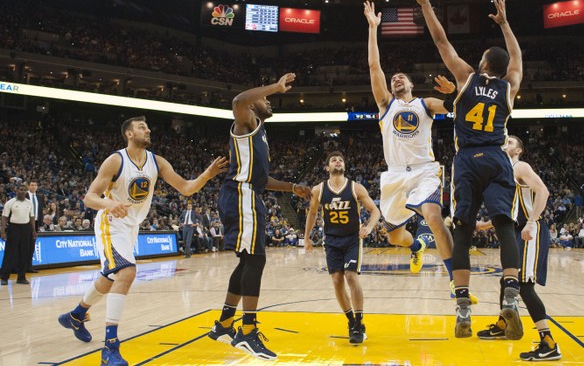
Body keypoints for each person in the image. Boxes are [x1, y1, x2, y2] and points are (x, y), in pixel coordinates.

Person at [57, 116, 228, 366]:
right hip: (110, 222)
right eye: (141, 127)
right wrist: (110, 203)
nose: (147, 130)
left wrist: (208, 174)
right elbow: (89, 198)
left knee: (110, 278)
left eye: (147, 127)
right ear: (128, 134)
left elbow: (187, 188)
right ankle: (110, 348)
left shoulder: (157, 162)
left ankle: (76, 315)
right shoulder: (116, 160)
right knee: (126, 272)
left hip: (132, 227)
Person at [408, 0, 524, 339]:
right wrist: (506, 24)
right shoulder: (509, 87)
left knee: (462, 230)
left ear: (484, 62)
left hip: (468, 161)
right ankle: (509, 295)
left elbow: (441, 41)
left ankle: (461, 305)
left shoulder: (467, 78)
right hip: (497, 155)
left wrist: (426, 5)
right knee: (506, 226)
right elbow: (517, 59)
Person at [363, 1, 466, 302]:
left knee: (434, 216)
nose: (395, 79)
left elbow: (457, 106)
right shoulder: (385, 105)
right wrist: (373, 29)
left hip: (424, 171)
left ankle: (455, 282)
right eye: (393, 78)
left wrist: (455, 93)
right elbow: (373, 67)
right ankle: (415, 247)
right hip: (394, 176)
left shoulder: (425, 104)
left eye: (401, 77)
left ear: (410, 84)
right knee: (394, 236)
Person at [207, 74, 312, 361]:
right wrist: (276, 87)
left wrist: (292, 187)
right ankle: (248, 331)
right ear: (254, 105)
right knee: (256, 258)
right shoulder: (247, 120)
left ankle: (225, 324)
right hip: (241, 195)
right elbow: (239, 99)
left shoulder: (261, 132)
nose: (268, 101)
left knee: (248, 259)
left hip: (248, 193)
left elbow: (263, 181)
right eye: (264, 99)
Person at [475, 136, 562, 361]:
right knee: (507, 280)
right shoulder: (503, 172)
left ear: (519, 150)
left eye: (511, 142)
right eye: (504, 141)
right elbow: (509, 210)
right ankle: (504, 324)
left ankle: (549, 342)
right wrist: (485, 224)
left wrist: (533, 221)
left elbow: (543, 192)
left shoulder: (520, 166)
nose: (506, 144)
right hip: (516, 230)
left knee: (523, 285)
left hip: (529, 230)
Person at [304, 151, 381, 344]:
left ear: (344, 167)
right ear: (327, 168)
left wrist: (369, 227)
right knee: (337, 280)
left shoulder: (355, 188)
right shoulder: (319, 190)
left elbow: (375, 211)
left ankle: (359, 321)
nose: (337, 162)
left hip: (352, 239)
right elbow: (312, 214)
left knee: (351, 275)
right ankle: (352, 321)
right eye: (333, 160)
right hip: (331, 240)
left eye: (340, 160)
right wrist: (306, 237)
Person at [0, 184, 36, 285]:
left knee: (24, 253)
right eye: (20, 189)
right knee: (10, 253)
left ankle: (21, 277)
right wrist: (2, 232)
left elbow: (32, 217)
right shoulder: (10, 202)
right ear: (17, 190)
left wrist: (33, 230)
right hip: (13, 228)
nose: (22, 191)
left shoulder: (29, 203)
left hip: (26, 228)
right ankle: (4, 277)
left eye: (24, 190)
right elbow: (4, 218)